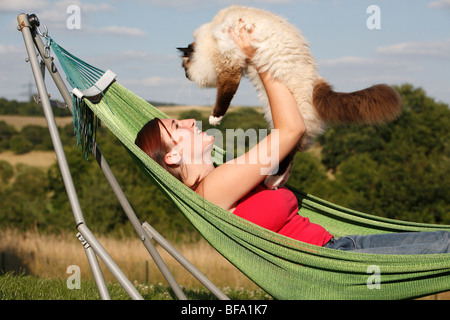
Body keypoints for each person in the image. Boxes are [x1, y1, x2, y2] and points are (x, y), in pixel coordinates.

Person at [135, 24, 450, 255]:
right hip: (338, 259)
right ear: (173, 157)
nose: (190, 121)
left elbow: (286, 142)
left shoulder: (225, 176)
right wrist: (259, 58)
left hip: (346, 248)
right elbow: (290, 130)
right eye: (177, 126)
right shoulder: (213, 188)